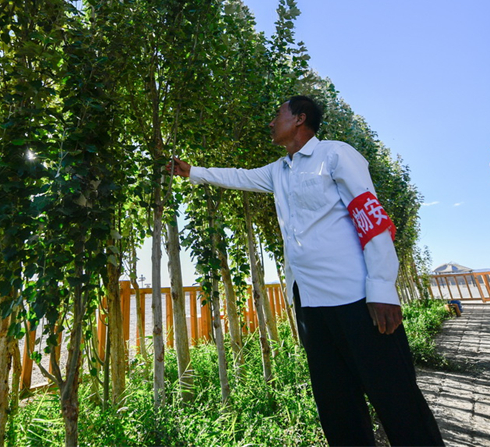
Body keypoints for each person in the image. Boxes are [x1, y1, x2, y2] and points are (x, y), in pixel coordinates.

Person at [169, 95, 444, 446]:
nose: (271, 123)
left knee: (396, 400)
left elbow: (372, 219)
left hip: (358, 300)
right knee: (337, 406)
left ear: (300, 118)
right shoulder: (279, 171)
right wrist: (192, 172)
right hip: (311, 306)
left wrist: (382, 288)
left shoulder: (335, 155)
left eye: (277, 115)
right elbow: (239, 177)